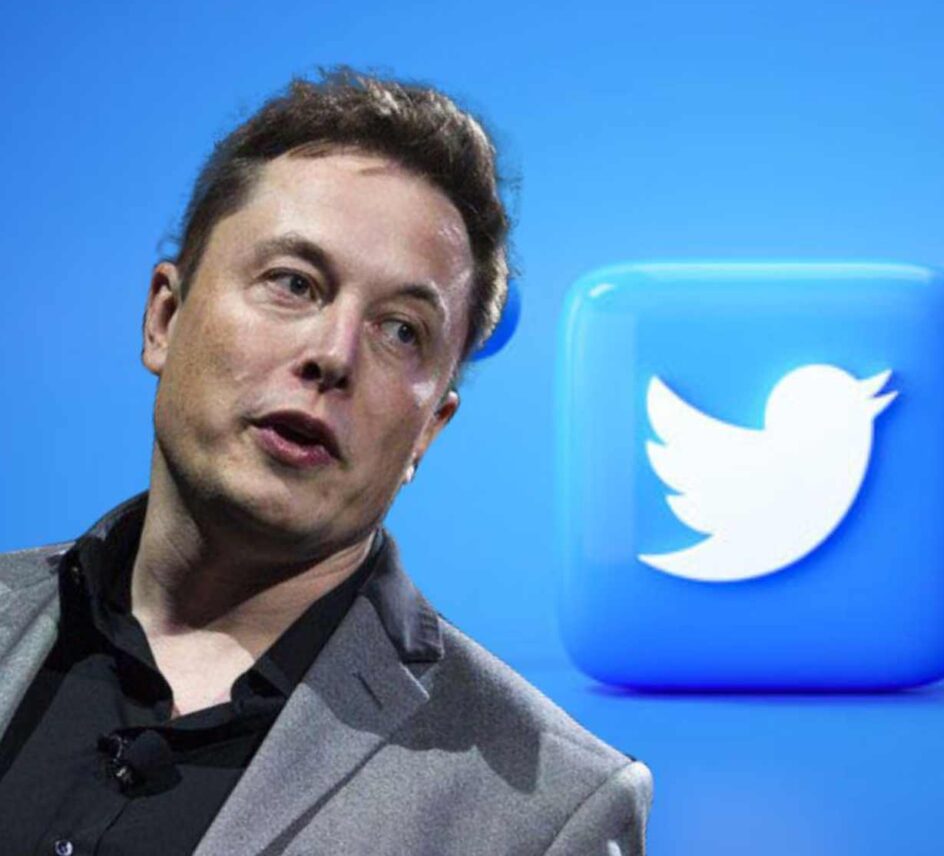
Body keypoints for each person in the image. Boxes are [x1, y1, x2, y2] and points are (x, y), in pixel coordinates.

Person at [0, 70, 651, 855]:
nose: (334, 355)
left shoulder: (544, 812)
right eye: (294, 283)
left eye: (401, 330)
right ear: (164, 318)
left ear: (429, 431)